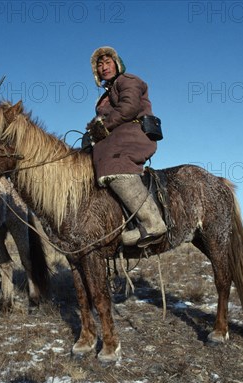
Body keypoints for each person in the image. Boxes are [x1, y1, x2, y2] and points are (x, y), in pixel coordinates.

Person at [86, 46, 167, 247]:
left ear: (117, 63)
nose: (104, 67)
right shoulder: (104, 96)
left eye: (108, 62)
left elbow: (128, 108)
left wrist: (103, 126)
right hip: (115, 135)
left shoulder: (129, 81)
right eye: (100, 65)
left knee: (114, 162)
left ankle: (152, 222)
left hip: (133, 133)